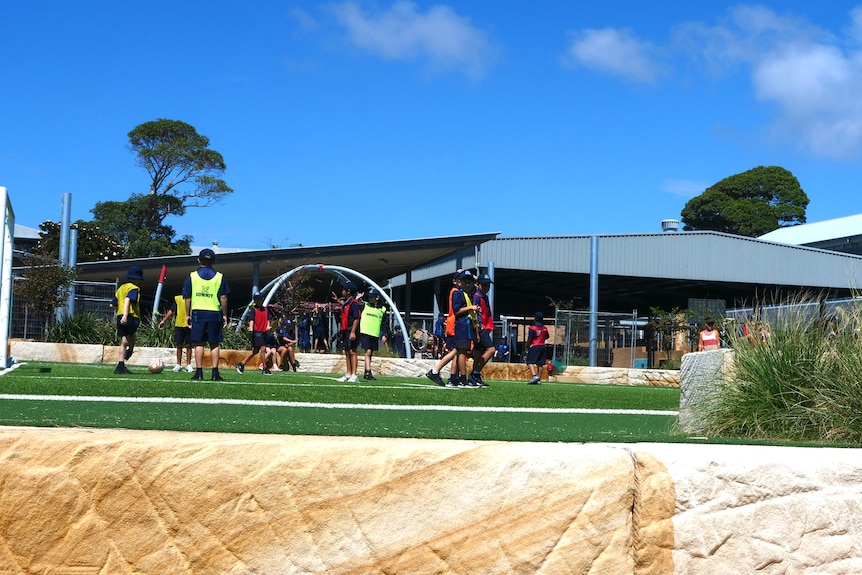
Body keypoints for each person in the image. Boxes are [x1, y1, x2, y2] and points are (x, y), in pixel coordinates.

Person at [183, 248, 230, 381]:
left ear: (198, 260)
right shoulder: (219, 276)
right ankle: (215, 373)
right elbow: (224, 297)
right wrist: (224, 314)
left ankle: (199, 372)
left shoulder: (192, 276)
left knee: (199, 343)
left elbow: (187, 297)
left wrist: (187, 314)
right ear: (214, 261)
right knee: (214, 343)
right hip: (214, 312)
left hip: (198, 311)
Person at [426, 270, 462, 386]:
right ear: (455, 281)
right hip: (454, 325)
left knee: (456, 352)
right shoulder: (456, 292)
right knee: (456, 350)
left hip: (454, 324)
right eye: (460, 279)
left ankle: (453, 377)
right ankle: (435, 370)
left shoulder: (457, 291)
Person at [111, 265, 144, 374]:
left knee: (124, 340)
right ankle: (130, 350)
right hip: (131, 316)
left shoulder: (121, 288)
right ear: (137, 278)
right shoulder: (134, 288)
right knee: (132, 335)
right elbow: (128, 300)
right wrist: (126, 315)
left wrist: (121, 313)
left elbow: (113, 305)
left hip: (119, 315)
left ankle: (120, 365)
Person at [451, 270, 480, 388]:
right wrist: (470, 307)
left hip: (468, 327)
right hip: (461, 326)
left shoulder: (468, 294)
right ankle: (463, 378)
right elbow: (456, 310)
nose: (468, 284)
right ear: (459, 282)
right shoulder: (457, 293)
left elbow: (477, 281)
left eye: (470, 282)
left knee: (463, 351)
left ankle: (457, 378)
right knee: (461, 352)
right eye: (465, 281)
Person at [467, 273, 495, 387]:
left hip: (485, 327)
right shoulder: (477, 296)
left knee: (479, 352)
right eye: (484, 285)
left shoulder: (484, 296)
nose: (487, 287)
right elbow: (475, 314)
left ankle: (476, 377)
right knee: (491, 350)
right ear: (478, 285)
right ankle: (474, 373)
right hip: (480, 327)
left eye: (488, 285)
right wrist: (477, 329)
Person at [236, 292, 272, 375]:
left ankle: (241, 364)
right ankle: (265, 368)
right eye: (256, 299)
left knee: (255, 351)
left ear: (262, 299)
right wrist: (251, 327)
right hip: (257, 332)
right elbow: (251, 319)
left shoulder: (266, 309)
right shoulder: (253, 309)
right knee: (263, 349)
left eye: (259, 298)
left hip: (263, 332)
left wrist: (268, 326)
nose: (258, 300)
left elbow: (267, 319)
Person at [158, 293, 194, 372]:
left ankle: (188, 365)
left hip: (190, 325)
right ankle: (178, 364)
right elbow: (172, 310)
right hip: (179, 324)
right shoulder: (178, 299)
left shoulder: (194, 298)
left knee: (189, 345)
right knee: (179, 345)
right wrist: (163, 321)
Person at [359, 287, 387, 380]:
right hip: (365, 332)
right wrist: (357, 298)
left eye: (372, 297)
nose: (370, 298)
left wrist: (384, 334)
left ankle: (367, 370)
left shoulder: (382, 309)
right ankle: (368, 372)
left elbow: (384, 323)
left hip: (374, 333)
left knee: (370, 353)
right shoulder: (365, 306)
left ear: (377, 297)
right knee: (368, 351)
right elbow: (354, 306)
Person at [337, 280, 362, 382]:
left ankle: (354, 375)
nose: (342, 291)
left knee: (352, 351)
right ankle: (348, 373)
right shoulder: (347, 303)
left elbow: (356, 318)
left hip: (350, 329)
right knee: (347, 351)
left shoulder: (354, 303)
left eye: (343, 289)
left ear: (348, 291)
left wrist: (353, 331)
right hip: (345, 330)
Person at [526, 312, 550, 385]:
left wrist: (527, 346)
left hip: (535, 346)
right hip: (543, 346)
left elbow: (530, 338)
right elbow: (547, 336)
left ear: (535, 319)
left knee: (529, 361)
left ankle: (534, 376)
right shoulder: (545, 328)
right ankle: (538, 378)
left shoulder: (532, 328)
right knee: (540, 363)